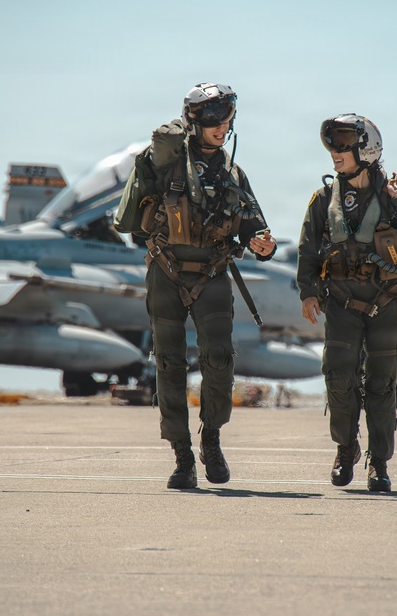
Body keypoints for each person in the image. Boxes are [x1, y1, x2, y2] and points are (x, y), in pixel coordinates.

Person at [114, 83, 276, 489]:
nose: (221, 126)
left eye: (225, 117)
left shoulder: (234, 173)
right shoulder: (163, 164)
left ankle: (213, 439)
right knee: (168, 365)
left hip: (213, 274)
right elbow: (132, 220)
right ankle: (182, 457)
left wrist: (263, 242)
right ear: (193, 120)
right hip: (166, 271)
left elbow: (254, 224)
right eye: (211, 118)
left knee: (219, 362)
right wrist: (155, 157)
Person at [297, 114, 397, 492]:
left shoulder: (394, 195)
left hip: (387, 302)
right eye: (333, 144)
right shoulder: (324, 200)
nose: (335, 152)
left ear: (366, 149)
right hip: (341, 302)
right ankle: (345, 449)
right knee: (338, 378)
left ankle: (379, 463)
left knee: (382, 385)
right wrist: (308, 291)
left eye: (343, 144)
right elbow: (308, 249)